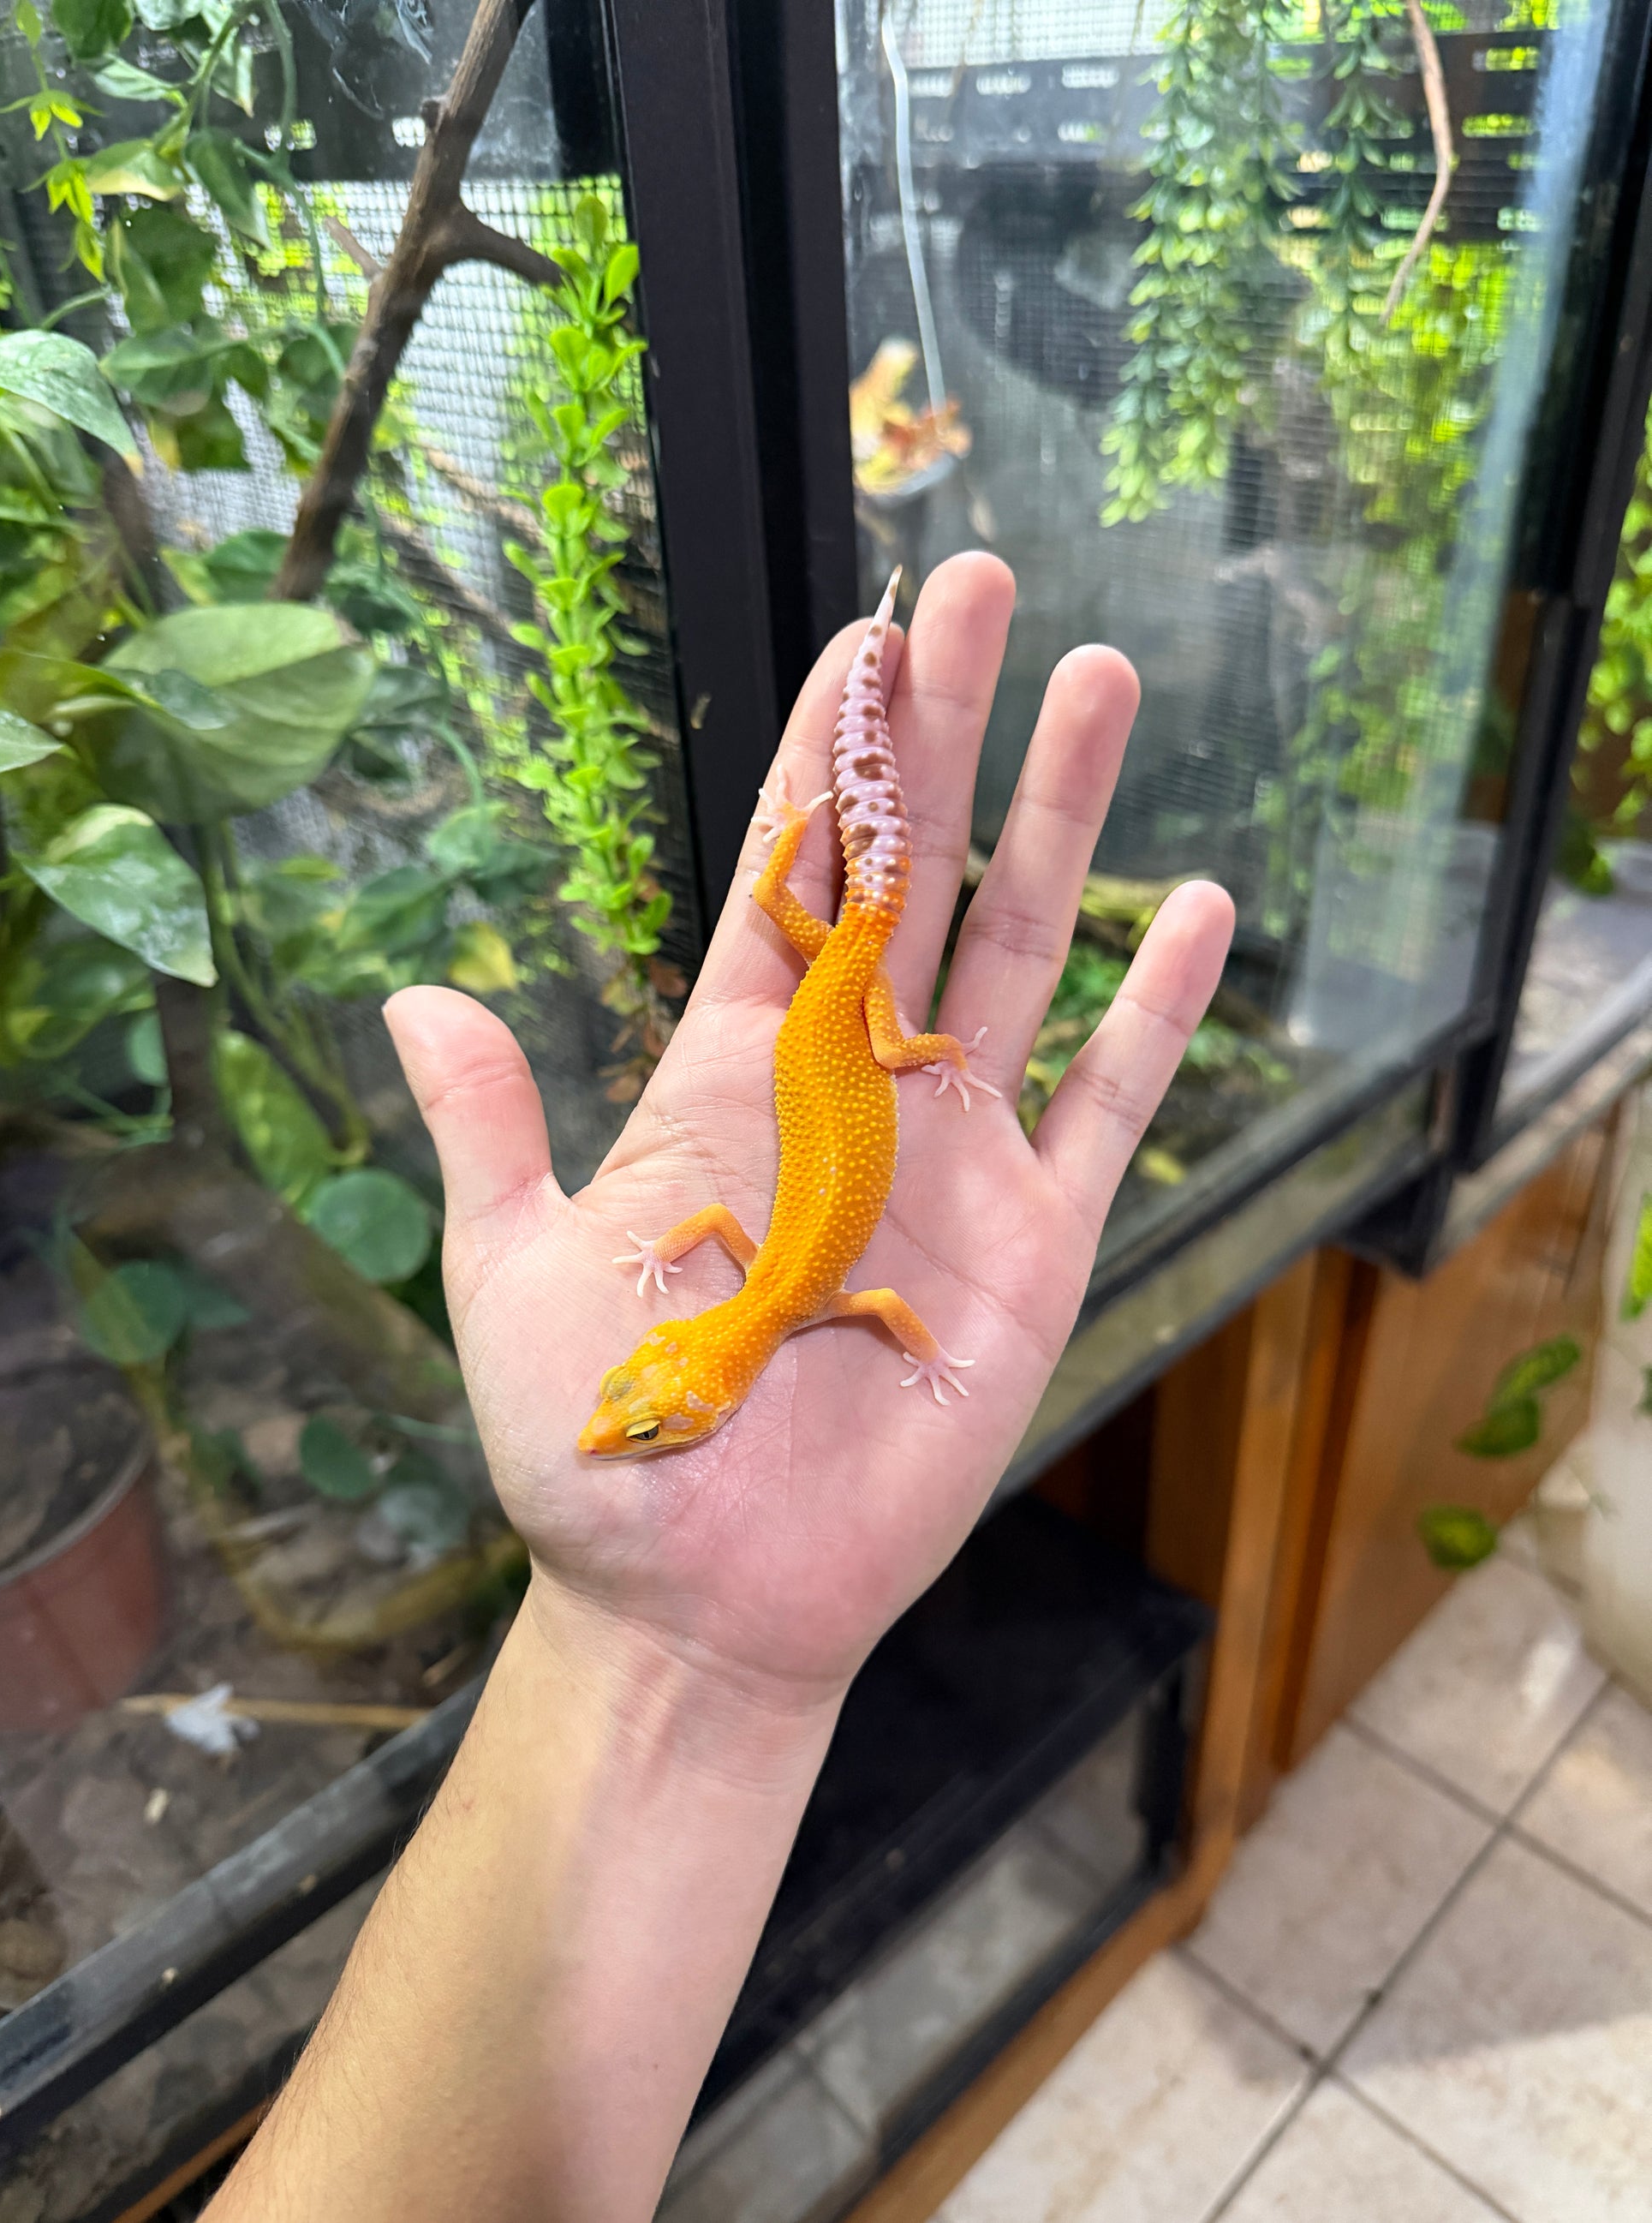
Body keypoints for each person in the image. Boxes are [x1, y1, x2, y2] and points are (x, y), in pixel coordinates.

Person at [204, 553, 1234, 2222]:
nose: (621, 1421)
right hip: (848, 994)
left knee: (840, 909)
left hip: (856, 997)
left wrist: (911, 1067)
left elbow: (851, 1283)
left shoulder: (783, 1291)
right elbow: (841, 1283)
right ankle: (858, 730)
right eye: (646, 1407)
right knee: (835, 912)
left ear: (711, 1382)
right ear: (705, 1378)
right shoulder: (776, 1294)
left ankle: (864, 714)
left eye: (640, 1408)